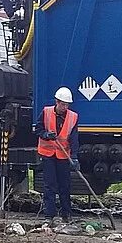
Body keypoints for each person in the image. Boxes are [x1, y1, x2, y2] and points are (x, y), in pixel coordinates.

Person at [36, 87, 80, 224]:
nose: (65, 107)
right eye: (63, 104)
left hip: (63, 155)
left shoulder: (73, 117)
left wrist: (74, 156)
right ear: (57, 101)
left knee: (64, 185)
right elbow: (38, 129)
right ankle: (49, 215)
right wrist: (45, 135)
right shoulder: (46, 112)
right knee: (49, 185)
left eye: (67, 105)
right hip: (48, 153)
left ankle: (66, 214)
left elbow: (74, 138)